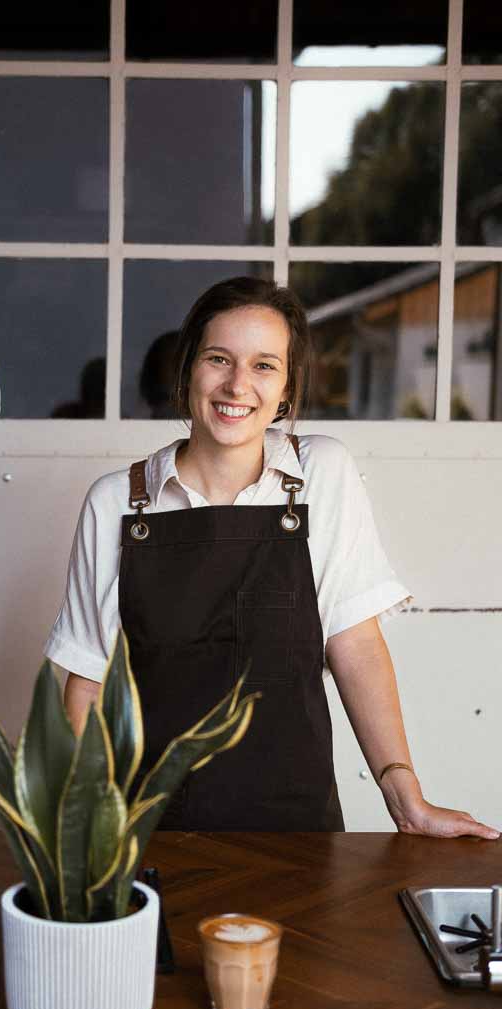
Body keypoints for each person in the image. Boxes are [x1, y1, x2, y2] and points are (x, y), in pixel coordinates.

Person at [44, 276, 499, 838]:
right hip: (148, 830)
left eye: (264, 365)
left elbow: (353, 643)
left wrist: (406, 798)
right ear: (188, 369)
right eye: (219, 359)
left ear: (286, 388)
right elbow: (87, 685)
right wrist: (83, 841)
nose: (238, 385)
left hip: (296, 826)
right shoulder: (115, 501)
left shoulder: (321, 475)